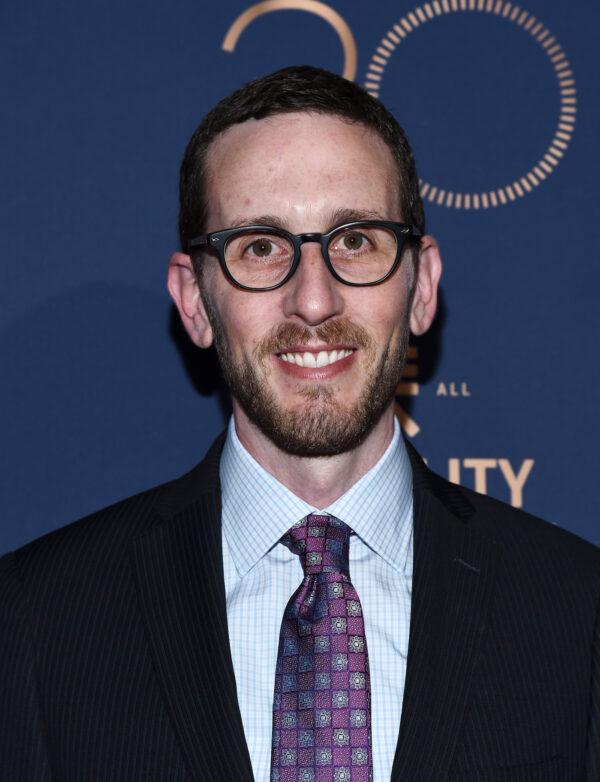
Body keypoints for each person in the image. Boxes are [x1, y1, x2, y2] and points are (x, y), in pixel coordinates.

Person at [1, 66, 598, 782]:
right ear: (194, 301)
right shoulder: (35, 622)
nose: (312, 300)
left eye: (355, 241)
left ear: (422, 286)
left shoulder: (577, 614)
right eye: (259, 247)